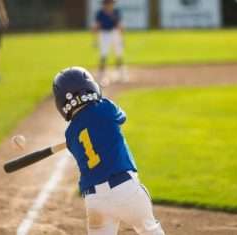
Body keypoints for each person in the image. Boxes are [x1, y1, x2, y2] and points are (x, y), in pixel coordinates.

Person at [53, 67, 165, 235]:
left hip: (94, 200)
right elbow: (122, 118)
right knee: (150, 230)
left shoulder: (70, 134)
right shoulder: (106, 107)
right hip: (126, 191)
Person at [93, 0, 127, 86]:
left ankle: (121, 74)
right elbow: (97, 26)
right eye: (109, 3)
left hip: (114, 33)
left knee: (118, 54)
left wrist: (122, 38)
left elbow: (119, 25)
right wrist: (95, 40)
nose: (110, 5)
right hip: (104, 34)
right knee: (103, 55)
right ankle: (101, 76)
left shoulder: (116, 11)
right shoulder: (100, 13)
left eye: (111, 3)